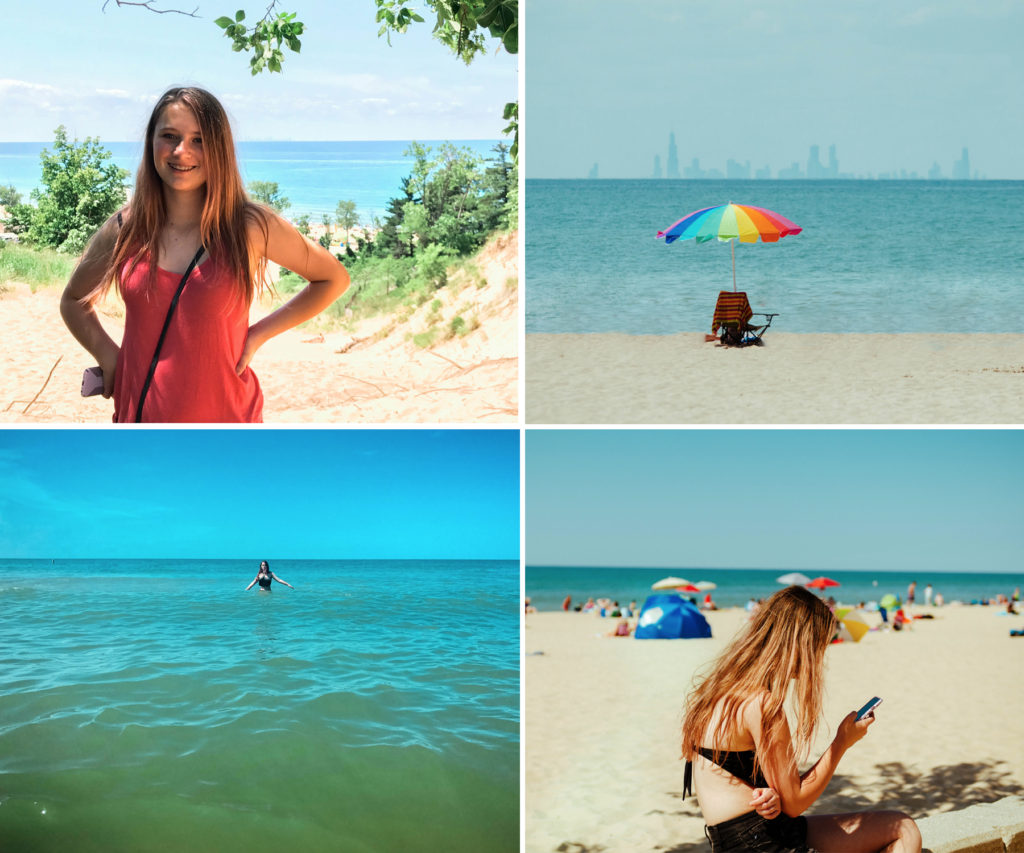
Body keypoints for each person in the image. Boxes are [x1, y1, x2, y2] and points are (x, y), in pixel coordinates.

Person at [61, 86, 350, 423]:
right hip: (139, 425)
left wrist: (257, 335)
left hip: (226, 426)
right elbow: (73, 301)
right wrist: (108, 356)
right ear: (151, 142)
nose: (182, 151)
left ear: (220, 149)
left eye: (199, 140)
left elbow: (333, 278)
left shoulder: (248, 226)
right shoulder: (126, 227)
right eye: (169, 136)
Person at [680, 585, 921, 852]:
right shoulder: (761, 703)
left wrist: (770, 794)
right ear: (798, 644)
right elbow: (795, 803)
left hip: (752, 833)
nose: (819, 657)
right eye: (818, 646)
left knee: (902, 825)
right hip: (759, 843)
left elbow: (734, 776)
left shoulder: (719, 686)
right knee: (903, 829)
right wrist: (842, 742)